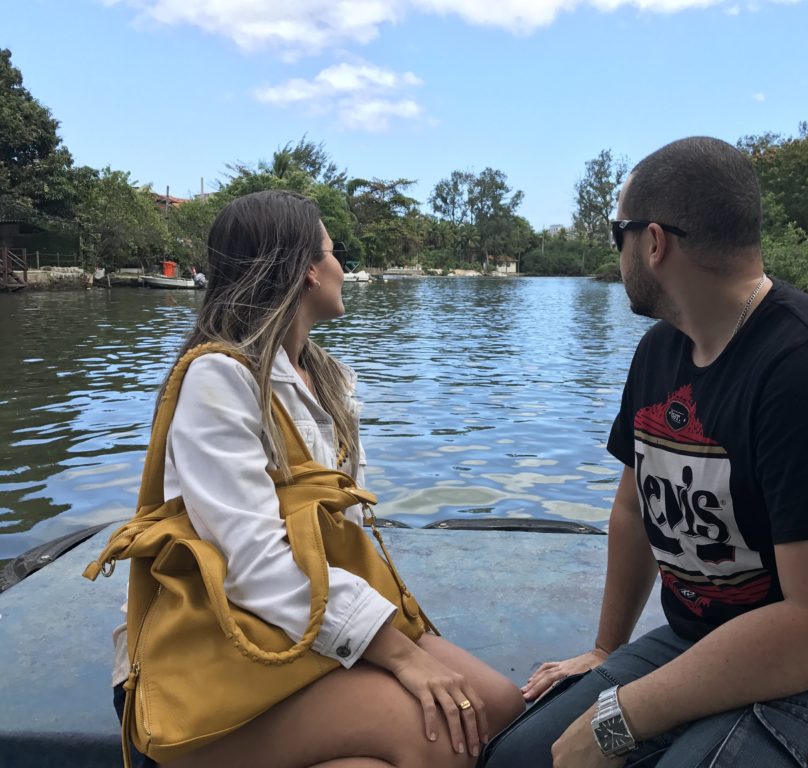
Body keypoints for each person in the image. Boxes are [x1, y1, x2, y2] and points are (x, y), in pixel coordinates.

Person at [482, 138, 808, 768]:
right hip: (707, 637)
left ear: (653, 243)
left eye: (616, 236)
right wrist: (605, 652)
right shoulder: (661, 351)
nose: (620, 253)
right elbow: (633, 511)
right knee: (521, 758)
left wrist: (617, 719)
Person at [110, 190, 524, 768]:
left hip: (303, 626)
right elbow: (252, 564)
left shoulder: (326, 379)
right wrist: (401, 657)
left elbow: (337, 539)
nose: (341, 266)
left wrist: (385, 640)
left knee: (498, 704)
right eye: (335, 252)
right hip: (227, 646)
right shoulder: (218, 380)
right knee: (436, 737)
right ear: (306, 269)